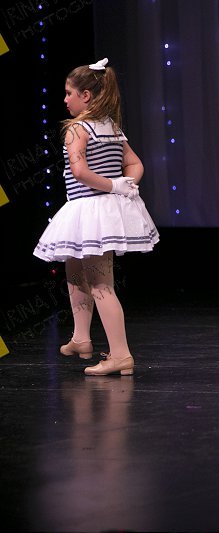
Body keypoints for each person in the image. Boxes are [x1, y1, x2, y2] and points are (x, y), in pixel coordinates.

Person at [33, 58, 159, 376]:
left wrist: (116, 185)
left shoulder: (77, 128)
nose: (65, 100)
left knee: (101, 283)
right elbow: (135, 163)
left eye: (69, 93)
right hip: (98, 209)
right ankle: (81, 338)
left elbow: (79, 171)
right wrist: (126, 183)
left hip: (92, 211)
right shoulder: (111, 127)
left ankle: (121, 355)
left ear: (85, 96)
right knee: (74, 266)